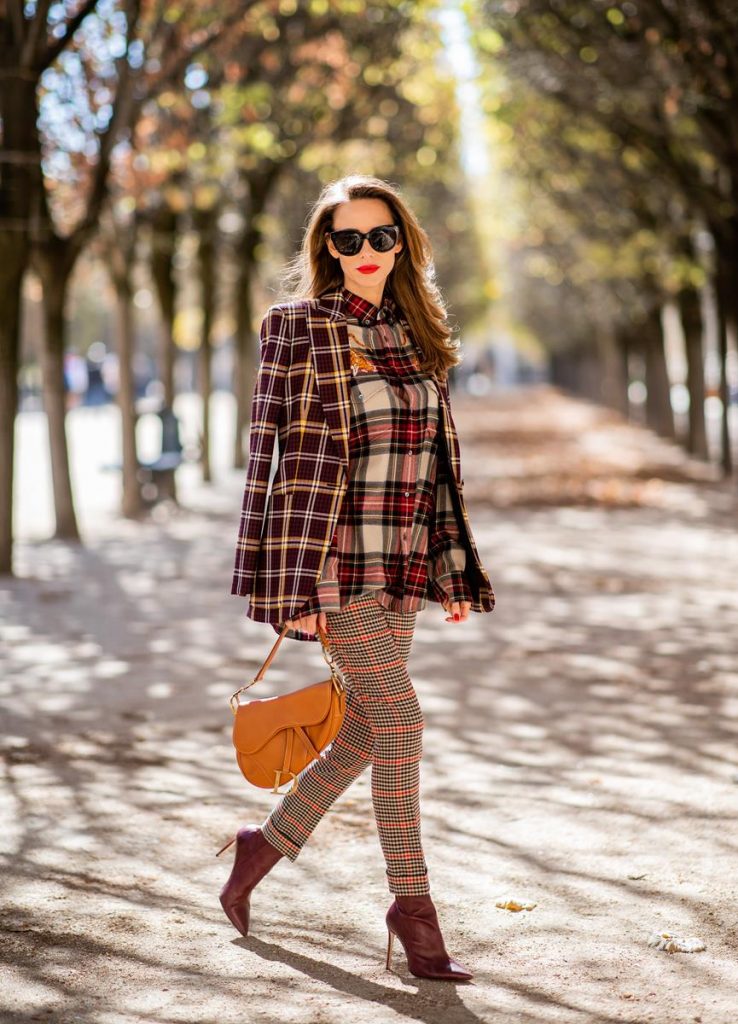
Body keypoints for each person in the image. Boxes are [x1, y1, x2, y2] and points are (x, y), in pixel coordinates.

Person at [219, 174, 495, 981]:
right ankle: (414, 912)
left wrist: (449, 568)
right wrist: (286, 590)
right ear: (325, 248)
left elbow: (437, 466)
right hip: (333, 563)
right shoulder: (296, 328)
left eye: (382, 237)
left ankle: (260, 848)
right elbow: (264, 454)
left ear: (402, 242)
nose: (367, 252)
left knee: (368, 730)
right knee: (402, 724)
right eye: (348, 239)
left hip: (401, 558)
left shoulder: (421, 334)